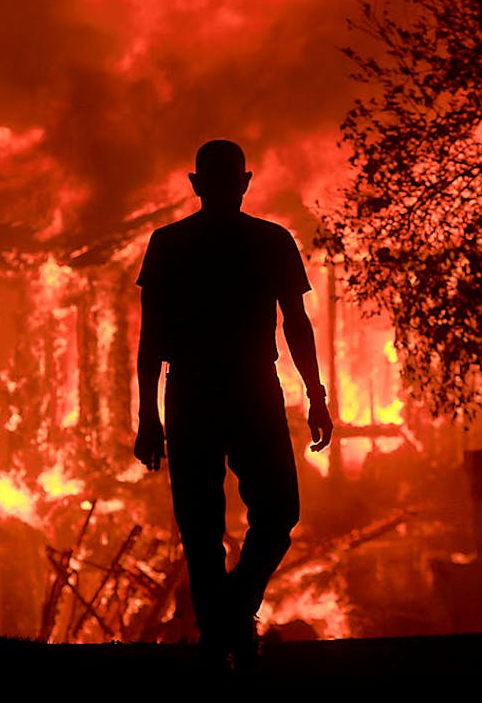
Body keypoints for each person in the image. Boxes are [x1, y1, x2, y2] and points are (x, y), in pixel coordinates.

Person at [133, 139, 333, 667]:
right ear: (244, 181)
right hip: (249, 389)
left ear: (196, 183)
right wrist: (315, 395)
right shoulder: (270, 241)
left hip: (195, 393)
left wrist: (148, 416)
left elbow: (151, 338)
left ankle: (223, 625)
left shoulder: (169, 243)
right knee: (272, 514)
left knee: (202, 528)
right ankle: (231, 626)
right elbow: (297, 324)